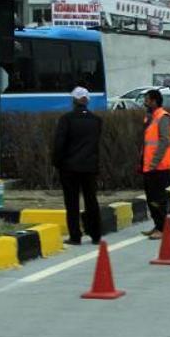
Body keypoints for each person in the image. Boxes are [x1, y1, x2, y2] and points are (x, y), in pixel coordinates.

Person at [52, 87, 103, 246]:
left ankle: (75, 236)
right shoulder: (96, 120)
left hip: (69, 168)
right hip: (89, 167)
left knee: (72, 202)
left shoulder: (66, 119)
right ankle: (95, 234)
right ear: (87, 101)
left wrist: (57, 162)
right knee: (91, 200)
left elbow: (59, 144)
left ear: (74, 101)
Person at [140, 89, 170, 240]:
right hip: (149, 166)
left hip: (159, 166)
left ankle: (162, 228)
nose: (145, 103)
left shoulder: (163, 117)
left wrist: (154, 162)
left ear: (154, 101)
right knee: (151, 197)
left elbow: (164, 141)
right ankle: (157, 225)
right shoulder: (152, 117)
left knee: (157, 198)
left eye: (147, 100)